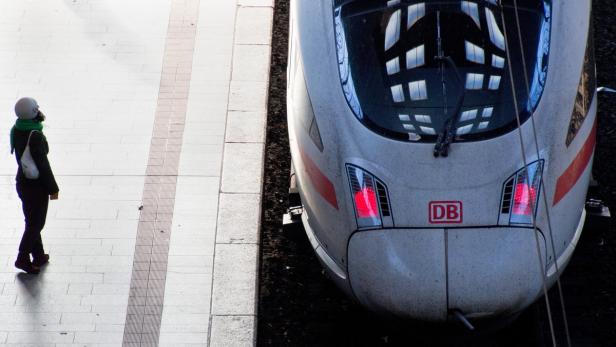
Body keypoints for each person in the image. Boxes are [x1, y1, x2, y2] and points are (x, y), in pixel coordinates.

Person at [10, 97, 59, 274]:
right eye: (36, 108)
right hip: (36, 186)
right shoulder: (35, 135)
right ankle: (22, 258)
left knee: (32, 220)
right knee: (36, 223)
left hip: (22, 182)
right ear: (32, 112)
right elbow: (43, 165)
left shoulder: (16, 129)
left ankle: (38, 255)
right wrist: (53, 188)